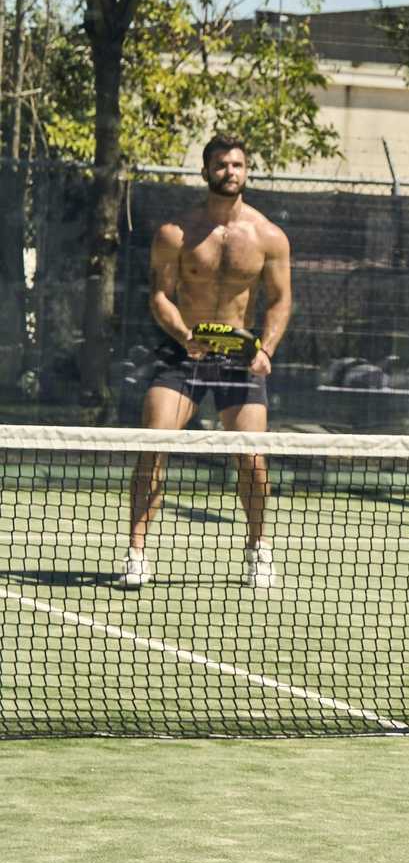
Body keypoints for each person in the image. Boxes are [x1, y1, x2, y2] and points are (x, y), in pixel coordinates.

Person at [121, 133, 293, 591]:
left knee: (253, 460)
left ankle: (258, 549)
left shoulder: (269, 236)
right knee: (153, 445)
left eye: (237, 164)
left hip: (240, 359)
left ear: (247, 171)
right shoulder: (175, 233)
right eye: (221, 165)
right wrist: (184, 336)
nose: (229, 172)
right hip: (183, 356)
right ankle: (136, 553)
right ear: (205, 171)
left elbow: (279, 301)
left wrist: (266, 351)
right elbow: (160, 295)